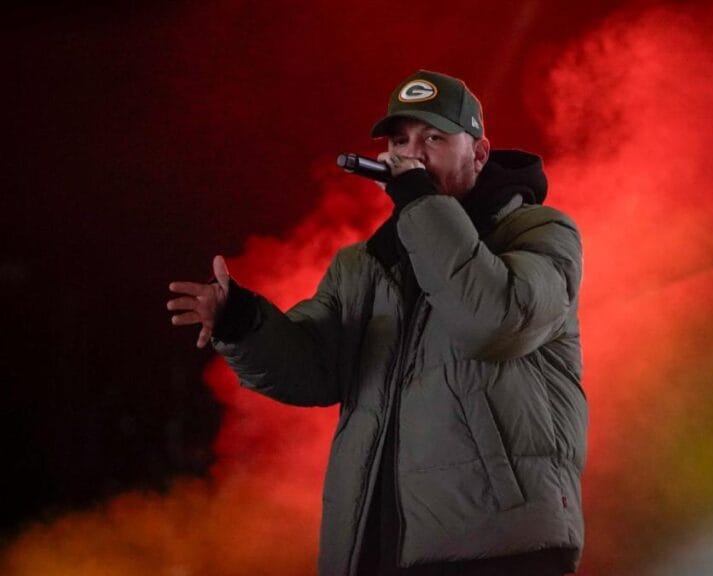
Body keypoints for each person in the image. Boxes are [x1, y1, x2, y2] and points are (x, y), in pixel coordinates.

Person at [167, 70, 587, 575]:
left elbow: (492, 320)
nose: (412, 154)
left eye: (433, 138)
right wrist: (241, 322)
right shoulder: (364, 265)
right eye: (401, 141)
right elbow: (315, 369)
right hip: (378, 546)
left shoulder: (540, 233)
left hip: (500, 544)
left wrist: (420, 200)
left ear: (478, 154)